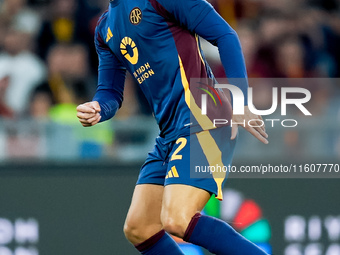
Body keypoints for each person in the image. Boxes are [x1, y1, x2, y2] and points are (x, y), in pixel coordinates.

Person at [76, 0, 269, 254]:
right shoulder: (104, 28)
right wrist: (99, 108)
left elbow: (226, 35)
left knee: (178, 218)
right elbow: (110, 91)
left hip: (204, 119)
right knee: (139, 227)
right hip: (169, 132)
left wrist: (241, 100)